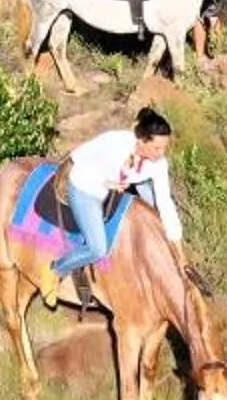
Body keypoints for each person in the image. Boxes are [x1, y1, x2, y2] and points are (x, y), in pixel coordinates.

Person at [55, 105, 185, 292]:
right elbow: (82, 165)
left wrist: (179, 252)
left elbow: (165, 202)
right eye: (157, 148)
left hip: (121, 180)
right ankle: (55, 271)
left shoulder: (159, 163)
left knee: (157, 214)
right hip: (86, 185)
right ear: (141, 141)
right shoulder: (115, 143)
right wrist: (109, 184)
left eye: (164, 148)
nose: (161, 153)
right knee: (98, 249)